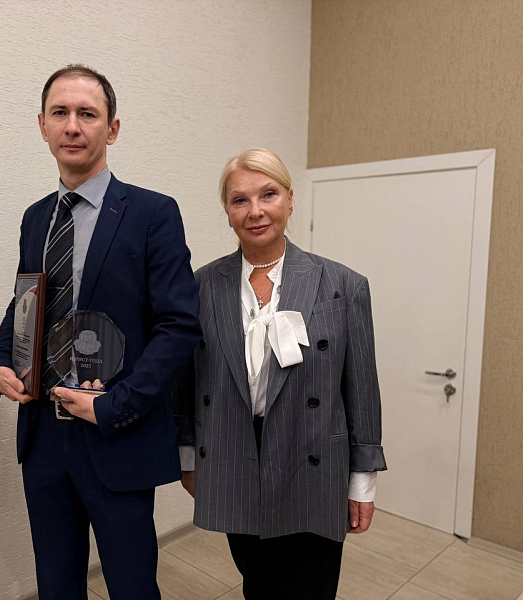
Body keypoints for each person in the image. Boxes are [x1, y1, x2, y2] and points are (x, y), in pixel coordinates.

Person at [0, 64, 201, 600]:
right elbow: (26, 302)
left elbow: (179, 326)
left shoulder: (153, 212)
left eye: (88, 114)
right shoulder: (36, 218)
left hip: (116, 431)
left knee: (131, 586)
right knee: (56, 584)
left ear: (113, 128)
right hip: (43, 434)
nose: (73, 126)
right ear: (42, 126)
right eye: (60, 113)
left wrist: (116, 406)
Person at [175, 147, 387, 599]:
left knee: (310, 587)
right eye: (240, 200)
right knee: (257, 583)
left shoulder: (343, 284)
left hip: (311, 460)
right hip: (234, 456)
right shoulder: (202, 284)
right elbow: (187, 381)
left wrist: (363, 483)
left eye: (268, 194)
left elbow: (362, 391)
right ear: (227, 212)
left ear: (290, 199)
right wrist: (189, 458)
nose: (255, 211)